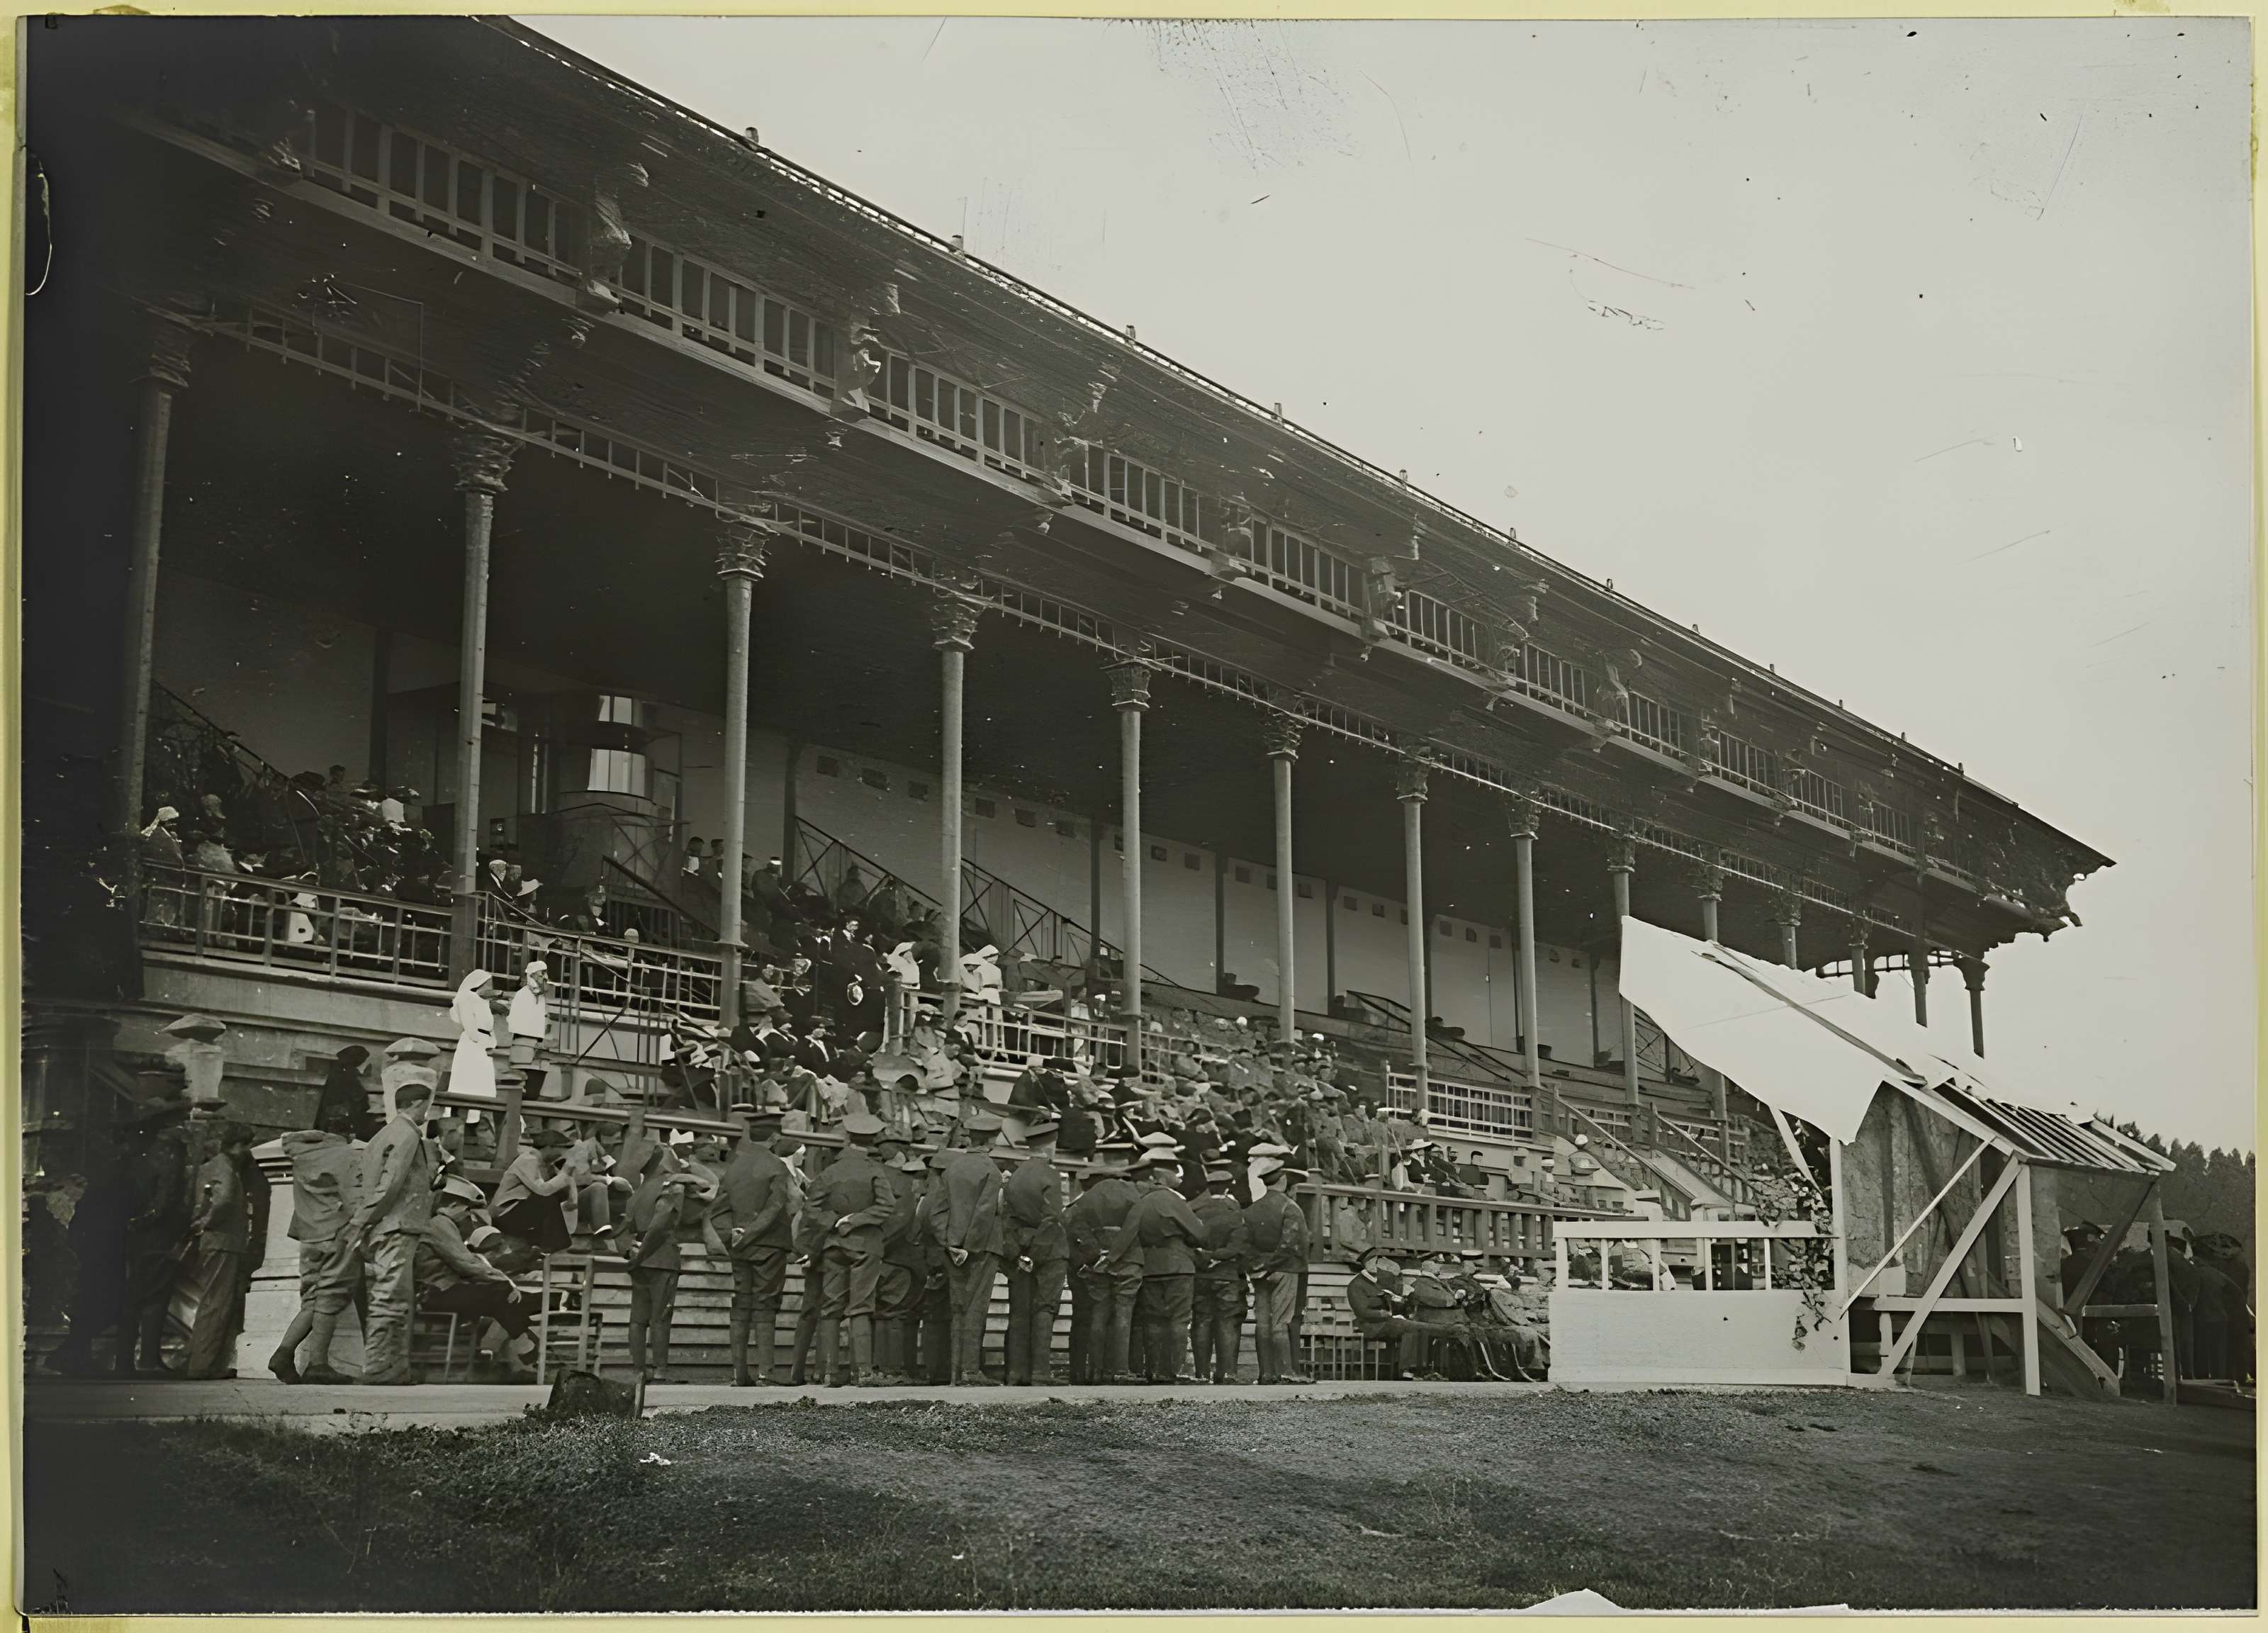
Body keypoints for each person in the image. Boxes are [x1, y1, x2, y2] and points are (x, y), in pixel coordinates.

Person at [343, 1074, 437, 1385]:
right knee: (391, 1297)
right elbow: (391, 1183)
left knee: (390, 1295)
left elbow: (370, 1181)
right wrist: (364, 1219)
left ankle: (391, 1368)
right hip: (398, 1224)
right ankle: (381, 1369)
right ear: (415, 1104)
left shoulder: (384, 1134)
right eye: (427, 1106)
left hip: (386, 1225)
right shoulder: (409, 1135)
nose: (428, 1113)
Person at [268, 1101, 364, 1384]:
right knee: (330, 1298)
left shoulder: (304, 1153)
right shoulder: (348, 1155)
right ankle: (318, 1364)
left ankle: (283, 1353)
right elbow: (354, 1198)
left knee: (312, 1299)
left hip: (308, 1235)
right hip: (336, 1233)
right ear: (350, 1133)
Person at [802, 1110, 898, 1386]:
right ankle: (864, 1372)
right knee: (861, 1306)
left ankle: (830, 1372)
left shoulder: (830, 1172)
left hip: (832, 1244)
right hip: (865, 1245)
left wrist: (834, 1222)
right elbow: (886, 1206)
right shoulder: (873, 1170)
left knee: (830, 1307)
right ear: (872, 1140)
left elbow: (810, 1209)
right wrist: (855, 1221)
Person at [705, 1105, 797, 1387]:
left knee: (741, 1304)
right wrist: (753, 1233)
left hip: (739, 1247)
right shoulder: (777, 1166)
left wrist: (733, 1235)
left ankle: (739, 1374)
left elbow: (717, 1211)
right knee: (766, 1307)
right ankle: (766, 1373)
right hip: (768, 1246)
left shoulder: (735, 1167)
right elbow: (777, 1206)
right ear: (774, 1138)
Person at [417, 1175, 539, 1381]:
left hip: (445, 1290)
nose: (468, 1216)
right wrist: (502, 1280)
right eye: (466, 1209)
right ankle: (523, 1343)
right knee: (502, 1292)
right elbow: (464, 1263)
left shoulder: (445, 1225)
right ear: (453, 1205)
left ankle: (518, 1344)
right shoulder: (440, 1223)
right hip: (436, 1293)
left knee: (508, 1297)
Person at [1109, 1149, 1209, 1384]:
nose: (1180, 1176)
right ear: (1164, 1178)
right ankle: (1178, 1370)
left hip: (1150, 1266)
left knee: (1153, 1320)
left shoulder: (1143, 1203)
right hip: (1178, 1265)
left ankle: (1154, 1370)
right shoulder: (1173, 1200)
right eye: (1175, 1173)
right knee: (1178, 1319)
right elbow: (1200, 1235)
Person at [934, 1113, 1006, 1385]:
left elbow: (937, 1211)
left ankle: (956, 1372)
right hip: (981, 1248)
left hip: (953, 1248)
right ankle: (970, 1371)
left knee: (958, 1308)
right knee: (976, 1308)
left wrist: (951, 1243)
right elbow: (985, 1213)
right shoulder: (991, 1170)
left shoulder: (951, 1168)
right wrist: (969, 1247)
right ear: (992, 1140)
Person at [1000, 1118, 1070, 1386]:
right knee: (1045, 1308)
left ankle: (1015, 1373)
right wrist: (1035, 1253)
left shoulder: (1017, 1175)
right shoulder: (1049, 1174)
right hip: (1048, 1252)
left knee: (1019, 1311)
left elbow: (1008, 1218)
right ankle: (1041, 1373)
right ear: (1051, 1144)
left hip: (1021, 1249)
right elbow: (1053, 1218)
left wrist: (1020, 1251)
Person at [185, 1122, 257, 1379]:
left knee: (213, 1301)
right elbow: (224, 1200)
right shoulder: (225, 1168)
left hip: (218, 1240)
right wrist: (207, 1223)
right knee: (218, 1302)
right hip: (223, 1241)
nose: (247, 1151)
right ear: (235, 1145)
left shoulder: (216, 1166)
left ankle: (198, 1360)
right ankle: (203, 1366)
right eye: (244, 1145)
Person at [1241, 1157, 1309, 1384]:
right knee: (1281, 1321)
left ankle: (1266, 1374)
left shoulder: (1250, 1210)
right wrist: (1272, 1265)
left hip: (1259, 1273)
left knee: (1262, 1323)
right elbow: (1291, 1244)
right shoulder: (1291, 1207)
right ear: (1283, 1180)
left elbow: (1244, 1245)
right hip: (1284, 1270)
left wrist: (1258, 1268)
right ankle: (1286, 1373)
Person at [1189, 1162, 1250, 1384]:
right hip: (1227, 1275)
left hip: (1200, 1275)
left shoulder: (1193, 1210)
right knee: (1228, 1323)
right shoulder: (1235, 1212)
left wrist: (1204, 1257)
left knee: (1202, 1322)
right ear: (1227, 1187)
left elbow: (1189, 1242)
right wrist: (1218, 1257)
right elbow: (1239, 1246)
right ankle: (1227, 1374)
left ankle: (1201, 1374)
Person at [1346, 1246, 1433, 1381]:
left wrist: (1403, 1304)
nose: (1377, 1266)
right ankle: (1405, 1370)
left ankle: (1421, 1370)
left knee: (1419, 1326)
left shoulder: (1382, 1279)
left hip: (1390, 1321)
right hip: (1371, 1325)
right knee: (1409, 1329)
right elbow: (1362, 1312)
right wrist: (1385, 1314)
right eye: (1374, 1262)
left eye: (1378, 1262)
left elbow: (1396, 1296)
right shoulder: (1356, 1285)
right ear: (1366, 1264)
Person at [448, 969, 499, 1099]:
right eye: (488, 984)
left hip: (485, 1044)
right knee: (469, 1080)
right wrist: (479, 1042)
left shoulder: (485, 1002)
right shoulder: (466, 998)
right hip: (473, 1045)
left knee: (483, 1080)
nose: (491, 987)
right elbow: (470, 1026)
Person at [313, 1044, 376, 1140]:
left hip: (331, 1112)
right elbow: (358, 1094)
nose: (362, 1062)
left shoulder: (338, 1070)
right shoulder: (346, 1073)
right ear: (354, 1059)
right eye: (361, 1059)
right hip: (338, 1114)